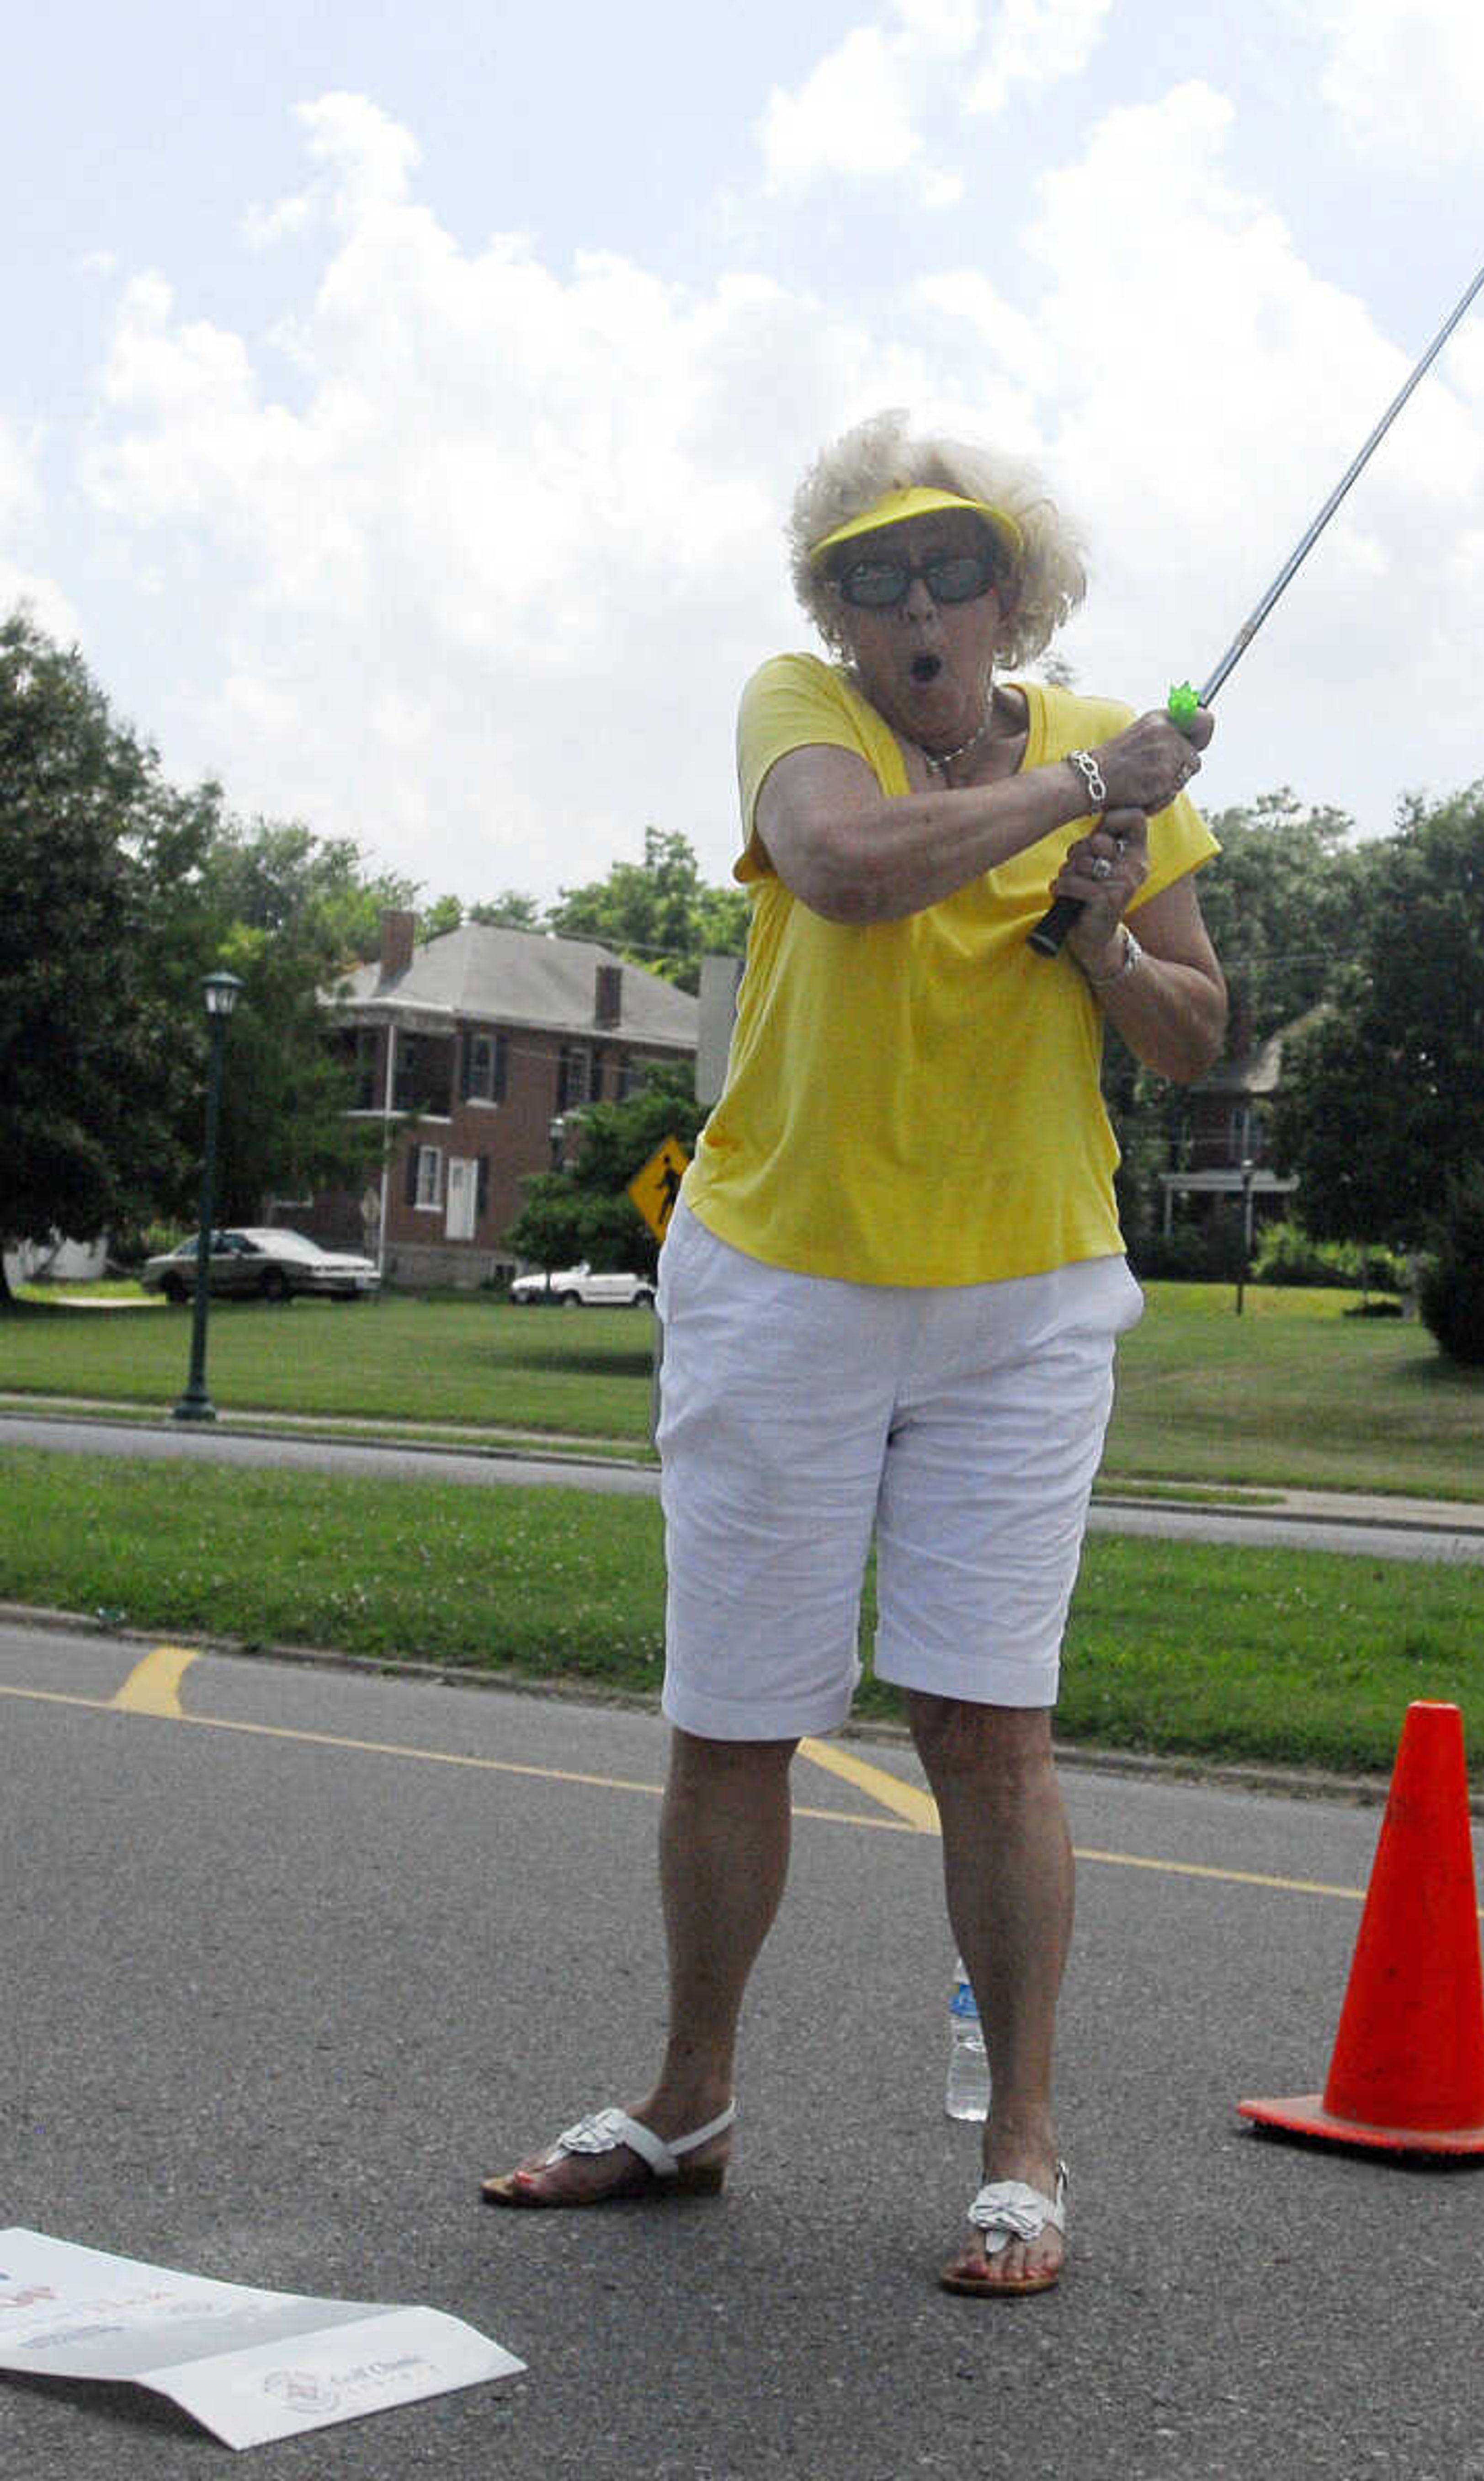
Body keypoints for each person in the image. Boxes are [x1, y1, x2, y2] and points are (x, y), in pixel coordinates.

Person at [482, 409, 1227, 2296]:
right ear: (836, 606)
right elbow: (843, 869)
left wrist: (1104, 949)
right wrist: (1079, 802)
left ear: (1013, 596)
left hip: (1025, 1296)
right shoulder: (797, 709)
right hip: (788, 1273)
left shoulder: (1118, 771)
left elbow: (1198, 1039)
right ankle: (689, 2100)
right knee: (737, 1717)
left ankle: (1026, 2151)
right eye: (872, 574)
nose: (913, 602)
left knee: (990, 1726)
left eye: (950, 567)